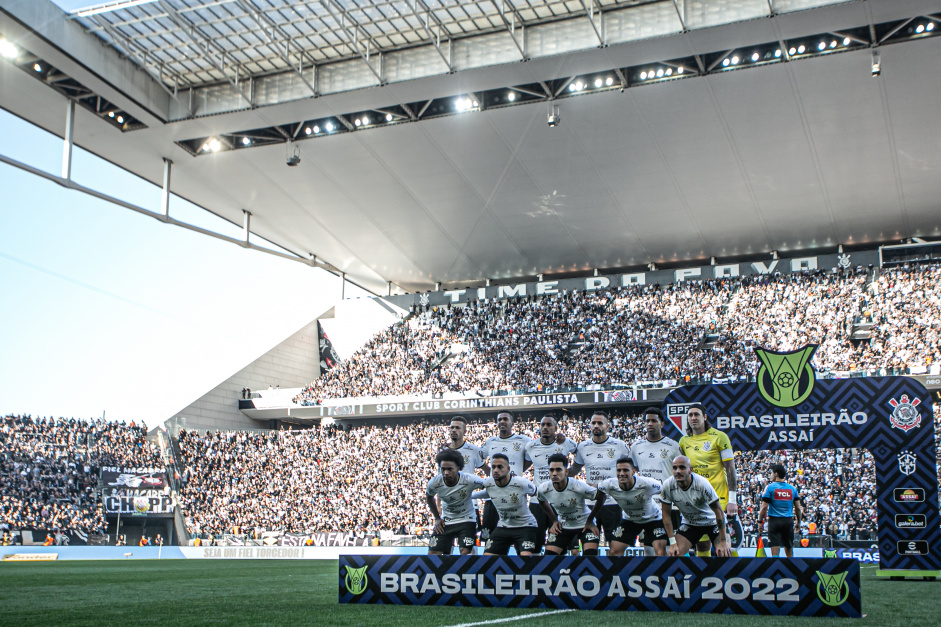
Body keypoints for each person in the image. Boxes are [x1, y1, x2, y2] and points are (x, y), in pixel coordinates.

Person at [678, 404, 740, 557]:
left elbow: (730, 469)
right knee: (702, 542)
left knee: (723, 546)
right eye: (690, 415)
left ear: (704, 417)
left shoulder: (720, 437)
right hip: (697, 499)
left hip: (720, 498)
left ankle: (729, 578)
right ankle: (704, 577)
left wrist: (733, 499)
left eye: (697, 415)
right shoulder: (683, 441)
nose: (693, 418)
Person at [568, 410, 631, 547]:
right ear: (589, 426)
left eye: (600, 423)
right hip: (591, 504)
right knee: (589, 547)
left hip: (613, 503)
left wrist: (603, 486)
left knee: (614, 547)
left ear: (607, 427)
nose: (596, 425)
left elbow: (630, 472)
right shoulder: (583, 446)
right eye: (593, 423)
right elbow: (574, 470)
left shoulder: (619, 446)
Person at [474, 454, 553, 556]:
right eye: (493, 467)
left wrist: (554, 519)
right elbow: (485, 493)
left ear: (508, 469)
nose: (496, 470)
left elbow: (541, 497)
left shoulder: (522, 483)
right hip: (503, 527)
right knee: (487, 558)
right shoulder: (489, 484)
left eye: (500, 467)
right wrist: (467, 496)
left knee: (525, 558)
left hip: (525, 527)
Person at [630, 407, 681, 554]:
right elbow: (632, 473)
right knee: (649, 549)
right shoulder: (636, 447)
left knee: (671, 549)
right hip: (647, 505)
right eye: (647, 421)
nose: (650, 424)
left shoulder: (673, 446)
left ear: (662, 423)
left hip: (669, 504)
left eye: (654, 420)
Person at [592, 457, 667, 556]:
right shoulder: (609, 484)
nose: (621, 473)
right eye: (619, 470)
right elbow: (590, 488)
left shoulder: (648, 484)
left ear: (633, 471)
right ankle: (616, 572)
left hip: (654, 519)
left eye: (625, 470)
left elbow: (668, 491)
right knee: (613, 551)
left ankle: (658, 572)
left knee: (660, 552)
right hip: (630, 520)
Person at [660, 455, 732, 557]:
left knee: (724, 553)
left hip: (712, 522)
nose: (678, 471)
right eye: (675, 468)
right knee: (674, 554)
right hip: (691, 524)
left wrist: (723, 541)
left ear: (690, 470)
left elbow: (719, 512)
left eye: (682, 467)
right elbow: (666, 515)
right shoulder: (668, 485)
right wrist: (672, 543)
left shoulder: (702, 484)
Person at [524, 414, 577, 553]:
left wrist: (568, 474)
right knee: (534, 544)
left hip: (560, 502)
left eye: (549, 425)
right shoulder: (530, 446)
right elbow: (524, 464)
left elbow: (581, 457)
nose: (545, 427)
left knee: (560, 545)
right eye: (543, 425)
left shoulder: (566, 443)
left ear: (556, 428)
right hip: (537, 502)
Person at [537, 453, 600, 555]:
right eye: (551, 470)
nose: (554, 473)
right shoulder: (543, 488)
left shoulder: (578, 486)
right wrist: (554, 520)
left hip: (585, 525)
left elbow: (601, 497)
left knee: (590, 557)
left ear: (566, 471)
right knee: (548, 558)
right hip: (564, 526)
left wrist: (590, 519)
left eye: (558, 470)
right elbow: (541, 500)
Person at [426, 448, 485, 556]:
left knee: (466, 553)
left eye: (450, 469)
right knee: (433, 553)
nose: (446, 473)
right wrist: (437, 518)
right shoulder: (434, 483)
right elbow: (429, 497)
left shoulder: (469, 480)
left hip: (467, 519)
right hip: (446, 520)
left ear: (458, 468)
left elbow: (490, 486)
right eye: (443, 469)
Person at [481, 412, 532, 536]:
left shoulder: (524, 440)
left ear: (512, 423)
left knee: (518, 534)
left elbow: (530, 460)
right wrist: (490, 472)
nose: (502, 421)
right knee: (490, 535)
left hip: (515, 494)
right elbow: (477, 458)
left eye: (505, 419)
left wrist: (514, 473)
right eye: (499, 419)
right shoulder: (491, 441)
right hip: (493, 494)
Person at [757, 463, 803, 558]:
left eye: (771, 473)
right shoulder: (792, 489)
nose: (771, 475)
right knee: (789, 550)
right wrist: (798, 522)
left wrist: (759, 522)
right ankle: (791, 570)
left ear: (776, 474)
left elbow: (764, 507)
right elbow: (798, 508)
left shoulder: (770, 487)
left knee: (775, 552)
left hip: (774, 521)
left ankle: (775, 570)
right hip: (788, 521)